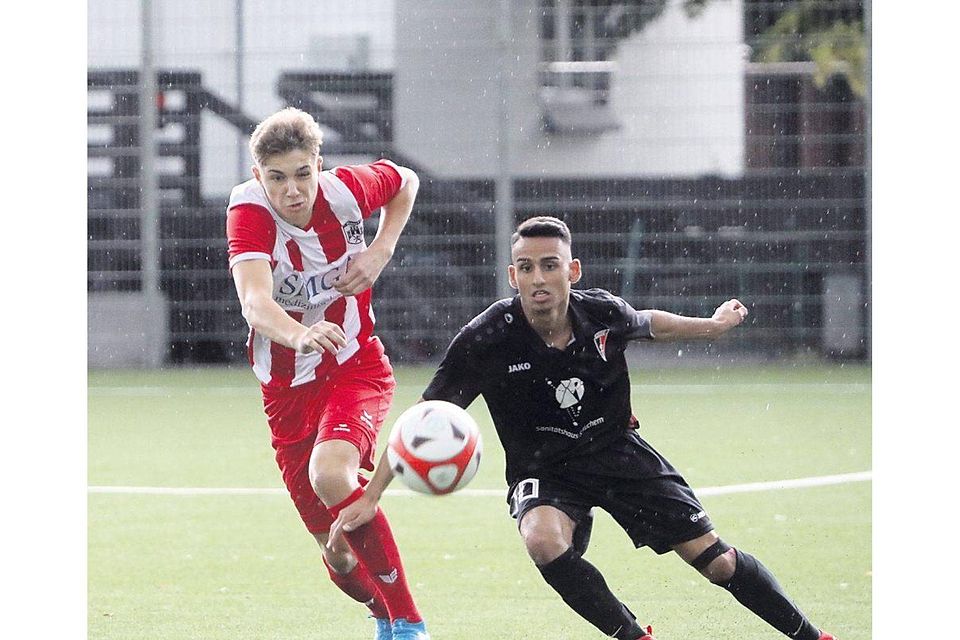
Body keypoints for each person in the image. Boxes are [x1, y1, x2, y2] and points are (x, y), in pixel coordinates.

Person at [330, 216, 839, 640]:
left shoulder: (601, 313)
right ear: (513, 276)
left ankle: (812, 636)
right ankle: (632, 636)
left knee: (717, 563)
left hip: (619, 453)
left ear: (571, 270)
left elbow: (648, 322)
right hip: (544, 471)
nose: (538, 279)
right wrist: (372, 494)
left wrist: (714, 325)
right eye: (526, 268)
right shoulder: (485, 338)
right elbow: (422, 421)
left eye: (550, 266)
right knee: (542, 540)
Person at [226, 106, 429, 640]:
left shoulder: (345, 192)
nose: (292, 191)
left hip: (355, 366)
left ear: (319, 164)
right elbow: (254, 301)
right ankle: (385, 614)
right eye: (277, 178)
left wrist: (382, 250)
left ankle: (410, 624)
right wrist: (298, 334)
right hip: (286, 389)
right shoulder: (247, 213)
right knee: (336, 553)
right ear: (257, 176)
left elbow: (404, 181)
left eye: (302, 173)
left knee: (330, 474)